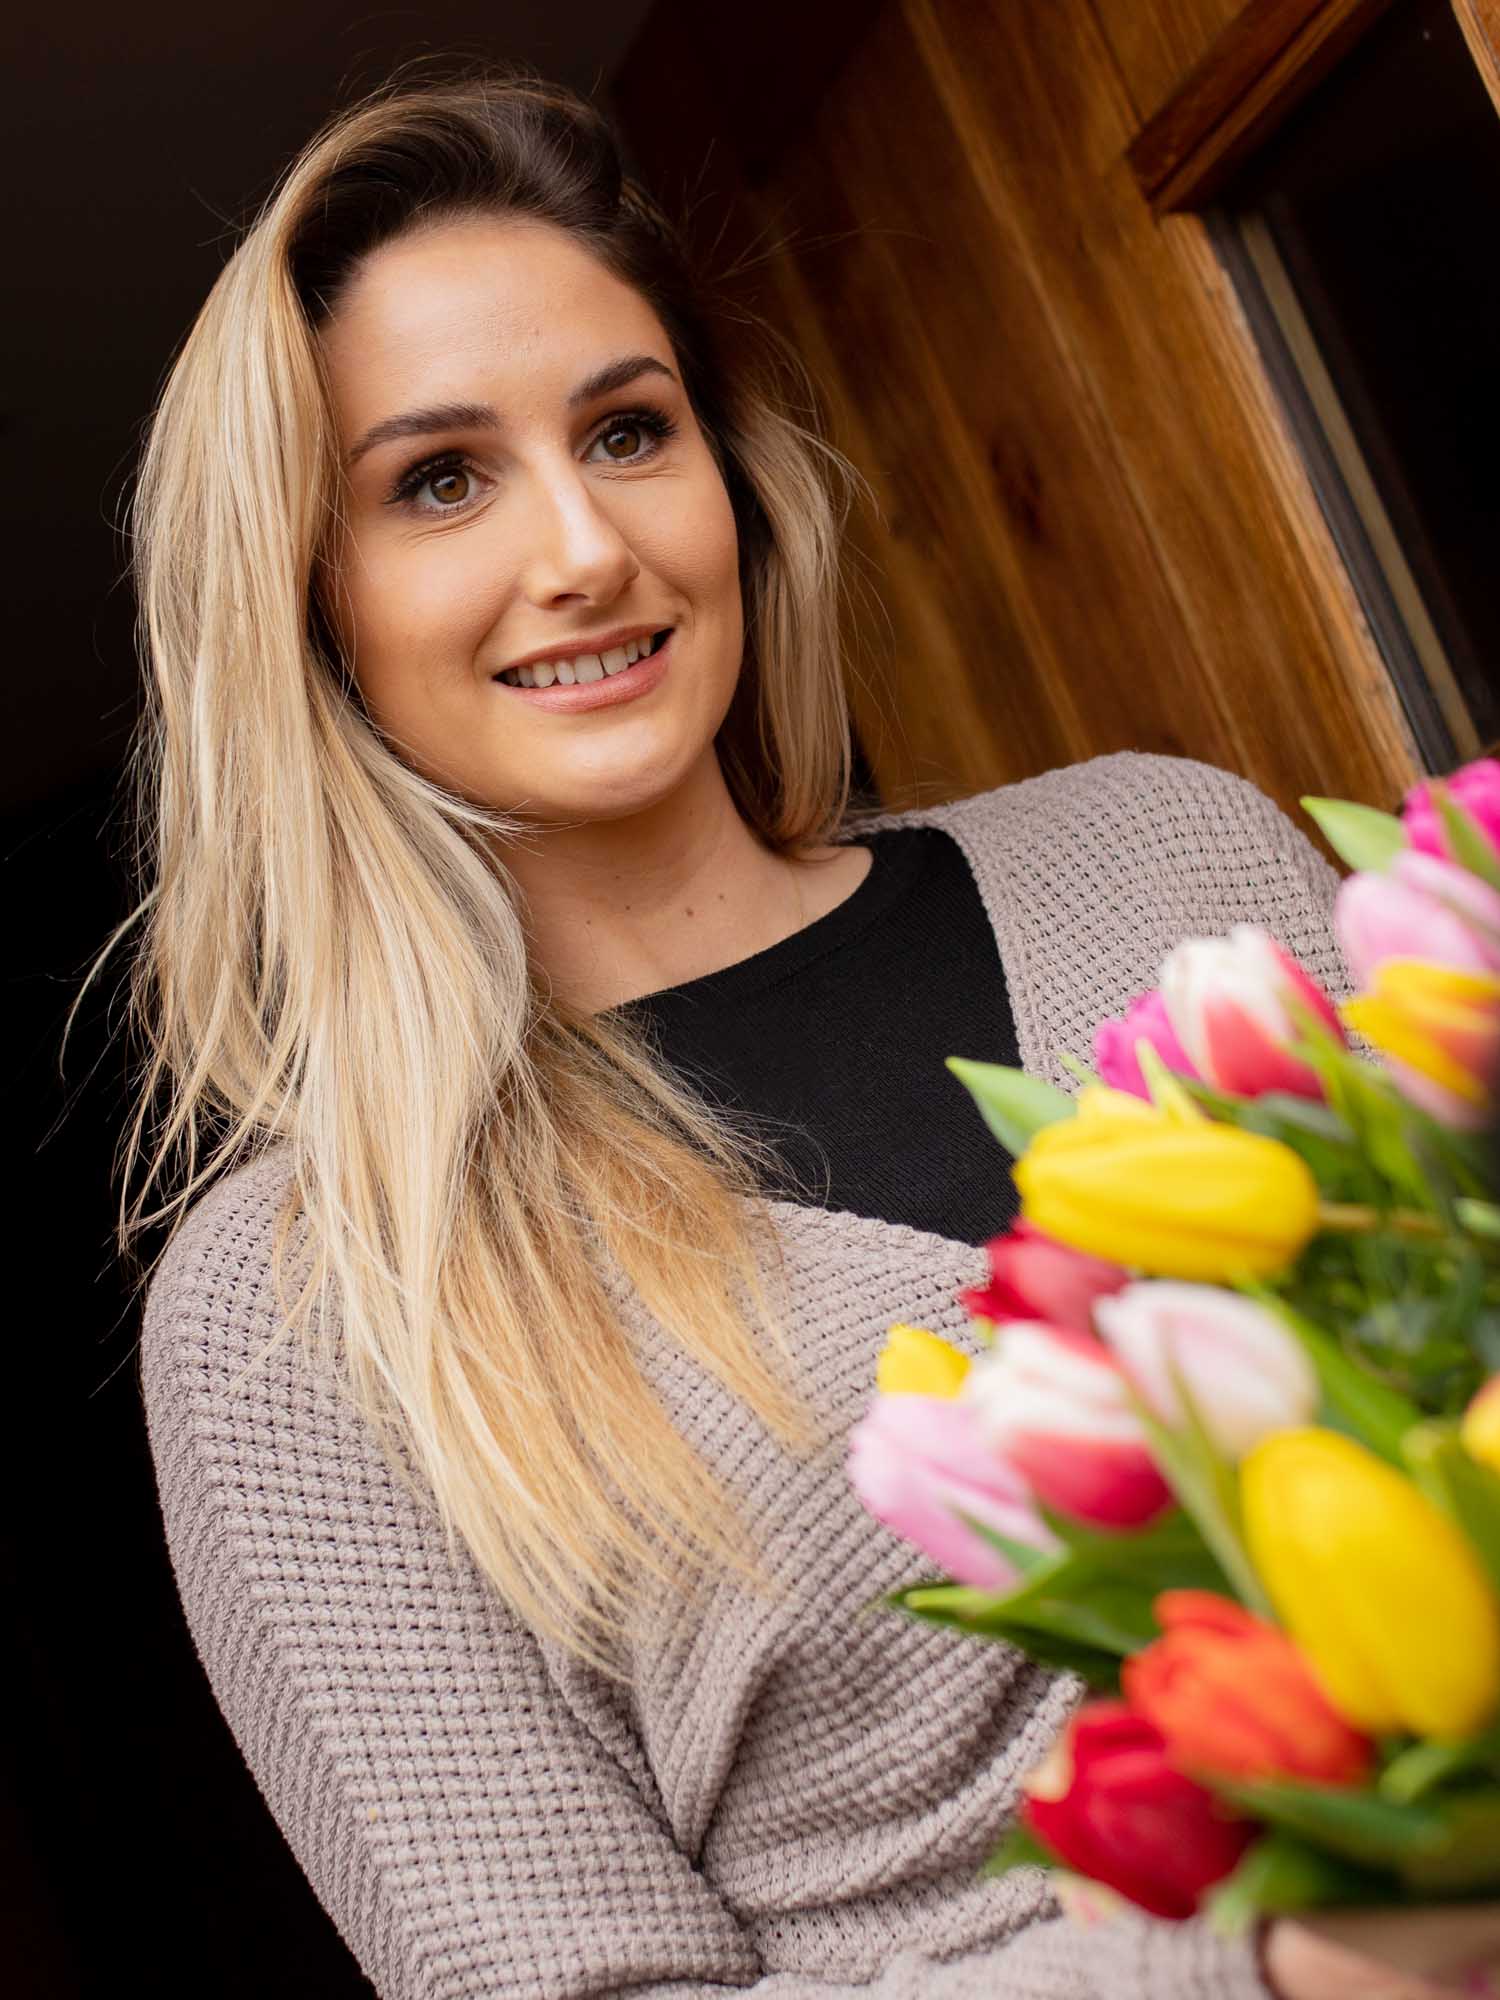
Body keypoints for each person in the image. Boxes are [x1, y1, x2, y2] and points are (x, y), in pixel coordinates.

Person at [112, 63, 1482, 2000]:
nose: (582, 545)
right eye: (439, 479)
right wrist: (1275, 1966)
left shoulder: (1167, 849)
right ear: (309, 604)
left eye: (628, 427)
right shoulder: (304, 1304)